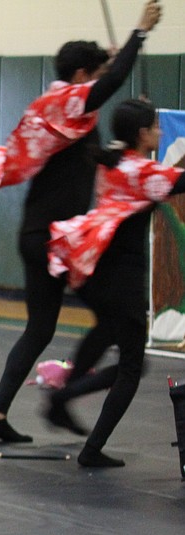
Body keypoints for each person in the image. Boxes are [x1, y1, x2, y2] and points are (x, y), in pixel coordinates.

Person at [0, 0, 161, 443]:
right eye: (92, 75)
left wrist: (117, 74)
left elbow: (99, 148)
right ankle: (65, 396)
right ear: (78, 77)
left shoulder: (64, 118)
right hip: (55, 241)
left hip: (40, 235)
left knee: (41, 327)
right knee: (111, 320)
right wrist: (139, 35)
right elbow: (106, 86)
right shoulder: (64, 103)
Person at [46, 99, 185, 467]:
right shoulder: (141, 171)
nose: (159, 131)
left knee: (106, 331)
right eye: (155, 126)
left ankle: (63, 399)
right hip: (122, 276)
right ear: (142, 134)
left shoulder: (113, 161)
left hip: (96, 270)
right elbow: (179, 181)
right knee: (132, 368)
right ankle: (86, 439)